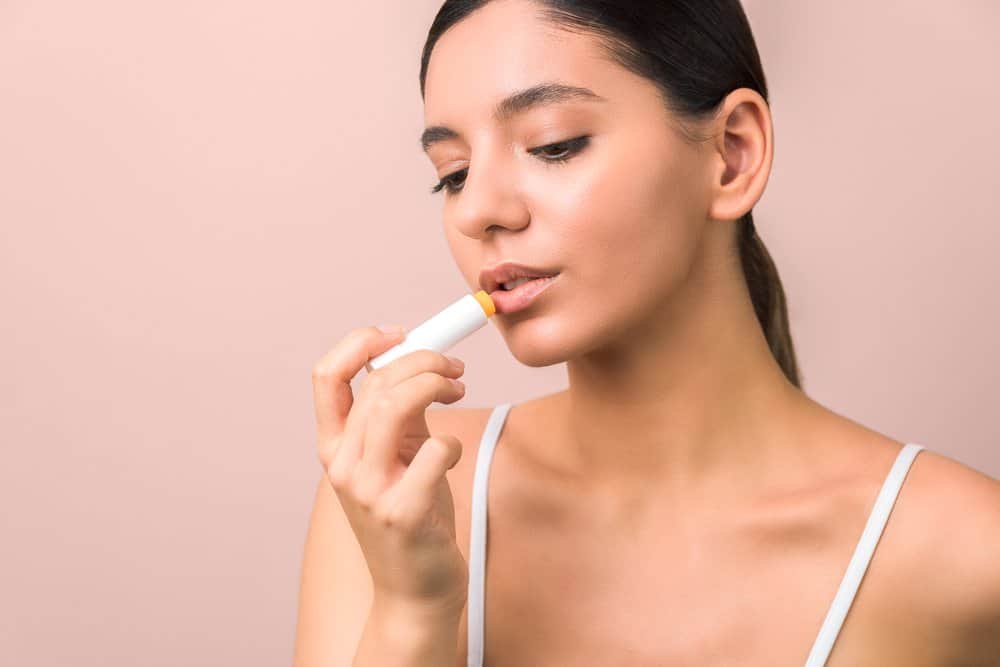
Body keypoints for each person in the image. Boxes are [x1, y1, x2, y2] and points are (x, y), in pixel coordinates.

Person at [294, 1, 1000, 665]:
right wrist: (412, 611)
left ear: (732, 153)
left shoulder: (965, 555)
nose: (478, 208)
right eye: (452, 173)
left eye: (553, 144)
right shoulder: (400, 497)